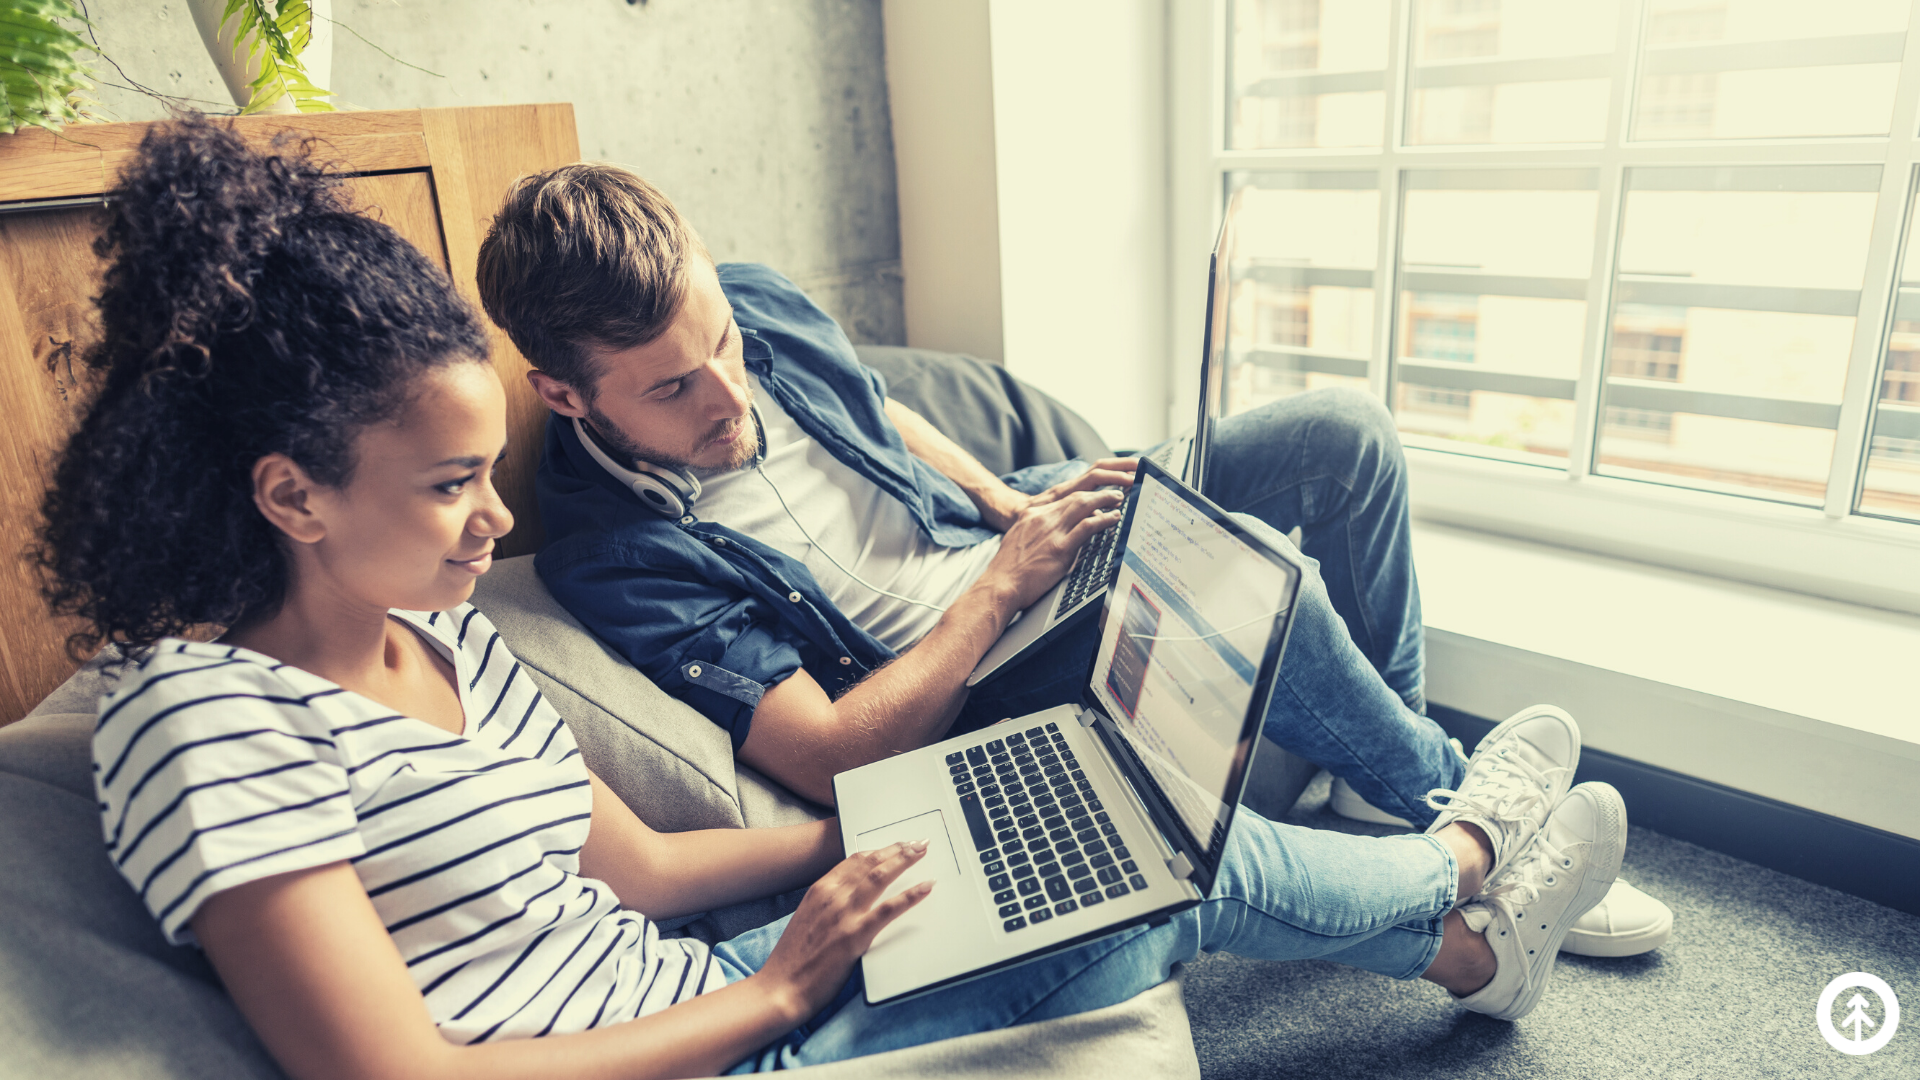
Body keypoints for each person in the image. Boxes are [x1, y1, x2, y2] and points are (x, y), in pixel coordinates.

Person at [45, 120, 1624, 1078]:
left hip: (716, 977)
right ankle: (1471, 864)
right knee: (1163, 872)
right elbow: (394, 1072)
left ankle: (1471, 932)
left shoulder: (441, 640)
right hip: (726, 1040)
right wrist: (792, 984)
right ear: (290, 493)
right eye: (453, 484)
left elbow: (654, 868)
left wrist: (940, 819)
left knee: (1093, 810)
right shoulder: (201, 720)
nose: (497, 514)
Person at [474, 164, 1671, 957]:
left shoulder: (749, 300)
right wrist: (1010, 580)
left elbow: (877, 403)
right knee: (1236, 567)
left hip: (995, 536)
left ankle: (1375, 772)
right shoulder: (612, 554)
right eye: (675, 387)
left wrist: (1002, 505)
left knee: (1338, 440)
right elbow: (837, 754)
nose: (729, 395)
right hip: (965, 666)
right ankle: (1469, 817)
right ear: (563, 394)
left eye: (725, 347)